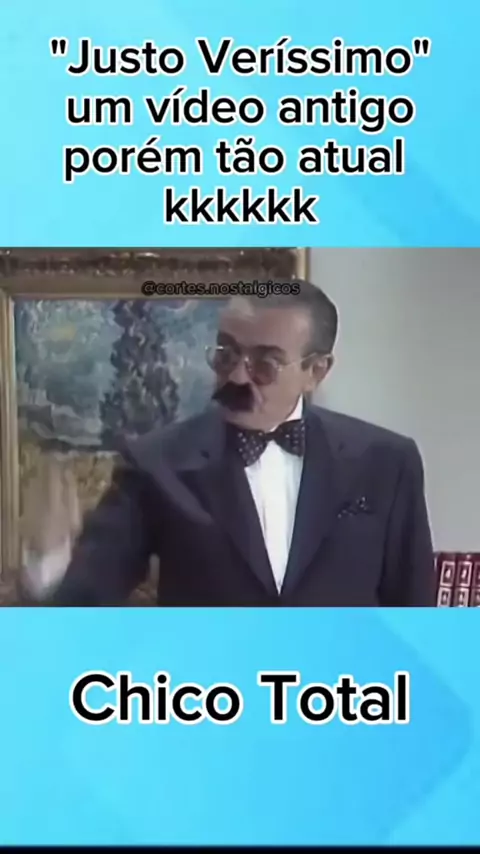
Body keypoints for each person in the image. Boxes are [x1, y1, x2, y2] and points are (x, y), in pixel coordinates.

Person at [20, 281, 436, 606]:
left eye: (265, 364)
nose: (237, 376)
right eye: (226, 354)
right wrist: (48, 567)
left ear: (316, 372)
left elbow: (413, 611)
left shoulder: (386, 462)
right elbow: (89, 596)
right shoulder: (155, 462)